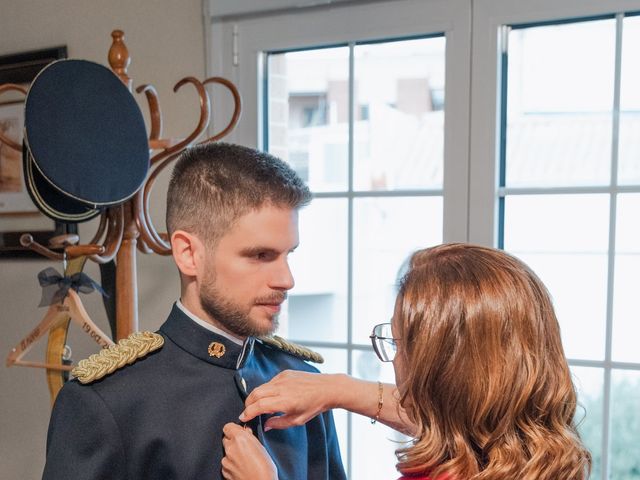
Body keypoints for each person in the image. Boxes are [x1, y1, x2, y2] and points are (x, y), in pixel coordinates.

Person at [42, 142, 346, 480]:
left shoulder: (304, 385)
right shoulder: (106, 403)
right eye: (260, 255)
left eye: (288, 254)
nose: (286, 279)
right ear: (188, 254)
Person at [221, 243, 592, 480]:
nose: (395, 363)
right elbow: (459, 418)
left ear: (442, 372)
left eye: (399, 345)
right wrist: (338, 388)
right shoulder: (536, 453)